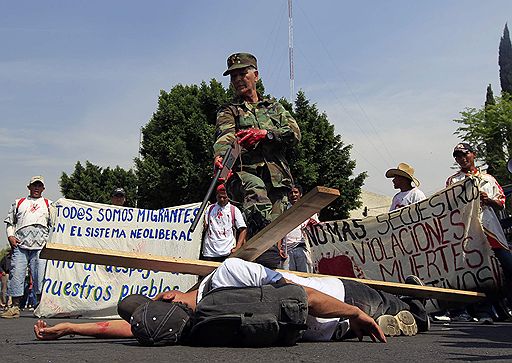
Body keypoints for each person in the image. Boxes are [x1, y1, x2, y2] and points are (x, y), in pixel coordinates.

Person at [34, 258, 429, 343]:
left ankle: (409, 303)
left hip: (339, 300)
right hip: (341, 315)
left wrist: (68, 328)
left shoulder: (190, 326)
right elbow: (128, 327)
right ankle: (407, 310)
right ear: (165, 297)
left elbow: (306, 293)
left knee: (403, 306)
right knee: (401, 314)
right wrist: (69, 327)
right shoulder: (191, 315)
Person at [213, 52, 301, 267]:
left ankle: (272, 270)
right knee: (255, 190)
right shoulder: (229, 111)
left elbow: (294, 133)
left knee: (278, 230)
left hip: (278, 179)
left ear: (256, 75)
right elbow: (225, 137)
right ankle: (264, 252)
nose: (238, 80)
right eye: (233, 77)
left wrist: (265, 134)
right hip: (246, 174)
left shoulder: (274, 108)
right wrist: (220, 157)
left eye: (242, 73)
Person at [445, 142, 512, 323]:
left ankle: (499, 307)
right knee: (468, 270)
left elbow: (501, 203)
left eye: (464, 154)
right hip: (465, 233)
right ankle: (469, 311)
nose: (462, 159)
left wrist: (487, 199)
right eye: (457, 156)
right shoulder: (453, 181)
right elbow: (448, 207)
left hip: (490, 230)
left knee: (506, 265)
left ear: (473, 154)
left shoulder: (489, 179)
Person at [1, 176, 52, 319]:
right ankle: (15, 307)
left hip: (41, 245)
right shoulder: (19, 202)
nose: (36, 188)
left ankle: (40, 306)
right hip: (20, 245)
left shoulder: (49, 204)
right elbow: (10, 222)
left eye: (39, 185)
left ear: (43, 188)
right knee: (16, 273)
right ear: (29, 187)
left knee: (40, 275)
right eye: (34, 185)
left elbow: (55, 224)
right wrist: (10, 236)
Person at [201, 184, 247, 262]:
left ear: (228, 196)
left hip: (227, 252)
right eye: (220, 197)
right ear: (216, 196)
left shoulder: (234, 210)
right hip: (209, 252)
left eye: (224, 197)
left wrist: (238, 248)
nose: (222, 199)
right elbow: (204, 227)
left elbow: (243, 230)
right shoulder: (209, 209)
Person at [279, 185, 318, 272]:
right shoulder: (284, 211)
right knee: (289, 279)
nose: (293, 195)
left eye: (296, 192)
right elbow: (279, 231)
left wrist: (312, 224)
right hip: (287, 250)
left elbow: (317, 229)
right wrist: (280, 248)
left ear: (301, 194)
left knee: (306, 278)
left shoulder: (310, 210)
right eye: (291, 193)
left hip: (303, 248)